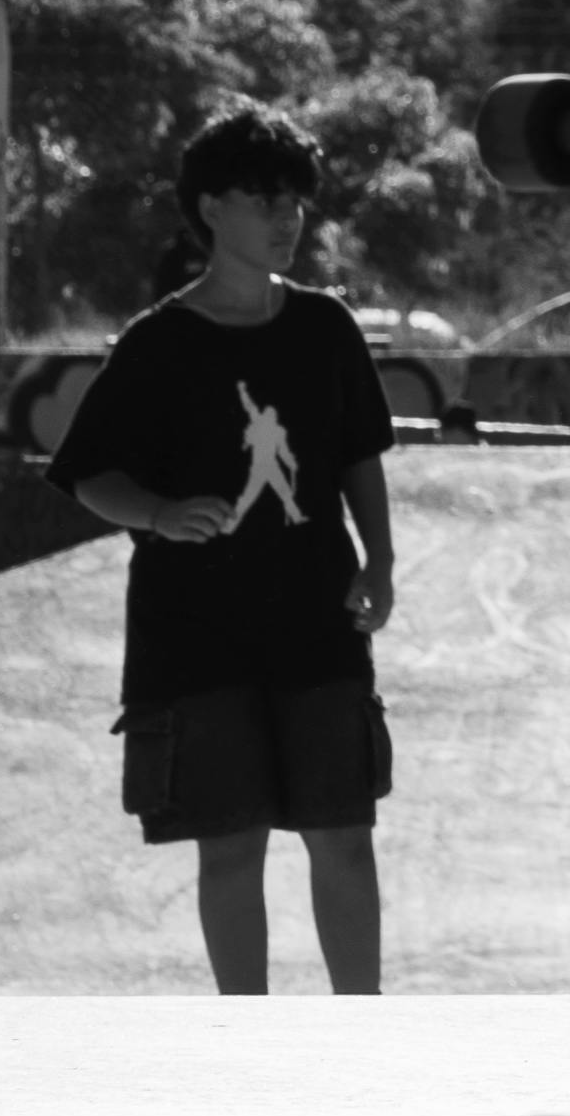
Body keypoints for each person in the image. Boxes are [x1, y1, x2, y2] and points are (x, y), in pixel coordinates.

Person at [45, 106, 396, 995]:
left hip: (317, 621)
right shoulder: (158, 343)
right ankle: (247, 1037)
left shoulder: (326, 329)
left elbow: (358, 455)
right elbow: (89, 473)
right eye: (263, 198)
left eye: (296, 201)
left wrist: (380, 561)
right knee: (231, 847)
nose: (287, 217)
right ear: (209, 209)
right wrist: (159, 513)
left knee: (342, 835)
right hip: (195, 635)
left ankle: (368, 1031)